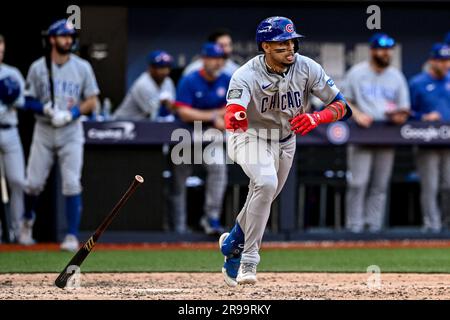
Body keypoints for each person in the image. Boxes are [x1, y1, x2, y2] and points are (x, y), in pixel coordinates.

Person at [219, 16, 351, 286]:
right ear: (265, 46)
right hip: (250, 136)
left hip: (286, 141)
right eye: (282, 44)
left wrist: (317, 118)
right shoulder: (245, 74)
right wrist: (236, 116)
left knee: (264, 195)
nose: (290, 48)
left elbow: (342, 107)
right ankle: (249, 259)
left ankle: (233, 242)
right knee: (266, 183)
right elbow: (233, 110)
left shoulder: (307, 67)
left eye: (292, 41)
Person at [20, 19, 100, 251]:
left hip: (70, 130)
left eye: (70, 37)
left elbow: (92, 99)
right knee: (33, 183)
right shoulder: (38, 66)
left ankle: (72, 235)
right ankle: (26, 222)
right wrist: (43, 108)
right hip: (44, 129)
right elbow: (26, 99)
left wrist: (71, 113)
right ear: (52, 39)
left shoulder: (82, 66)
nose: (68, 40)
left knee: (72, 183)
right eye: (63, 36)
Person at [343, 33, 410, 234]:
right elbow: (343, 101)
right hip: (362, 133)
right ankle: (353, 226)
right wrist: (357, 114)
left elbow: (404, 108)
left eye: (388, 49)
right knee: (358, 182)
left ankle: (374, 228)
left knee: (380, 185)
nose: (385, 53)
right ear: (372, 50)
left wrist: (399, 116)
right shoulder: (357, 72)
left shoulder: (396, 76)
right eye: (381, 49)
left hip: (386, 133)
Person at [168, 43, 230, 235]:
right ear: (204, 59)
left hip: (211, 137)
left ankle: (211, 219)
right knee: (179, 180)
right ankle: (178, 225)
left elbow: (232, 109)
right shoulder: (190, 80)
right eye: (213, 58)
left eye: (220, 58)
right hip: (186, 135)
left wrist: (206, 115)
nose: (217, 62)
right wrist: (213, 116)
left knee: (219, 168)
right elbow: (184, 112)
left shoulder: (227, 80)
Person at [409, 43, 450, 232]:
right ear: (432, 61)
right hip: (426, 140)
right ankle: (431, 225)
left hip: (448, 142)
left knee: (448, 185)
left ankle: (445, 223)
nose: (445, 64)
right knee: (430, 186)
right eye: (441, 61)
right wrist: (423, 117)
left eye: (447, 60)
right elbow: (407, 112)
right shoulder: (418, 82)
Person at [0, 34, 27, 243]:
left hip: (10, 130)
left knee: (17, 180)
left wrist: (8, 95)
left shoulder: (12, 72)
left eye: (1, 51)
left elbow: (22, 101)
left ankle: (18, 231)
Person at [113, 50, 175, 122]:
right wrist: (164, 103)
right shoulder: (143, 84)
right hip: (123, 123)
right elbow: (153, 114)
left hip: (142, 123)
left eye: (167, 67)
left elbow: (172, 108)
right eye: (160, 67)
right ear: (151, 68)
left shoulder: (168, 82)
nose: (165, 71)